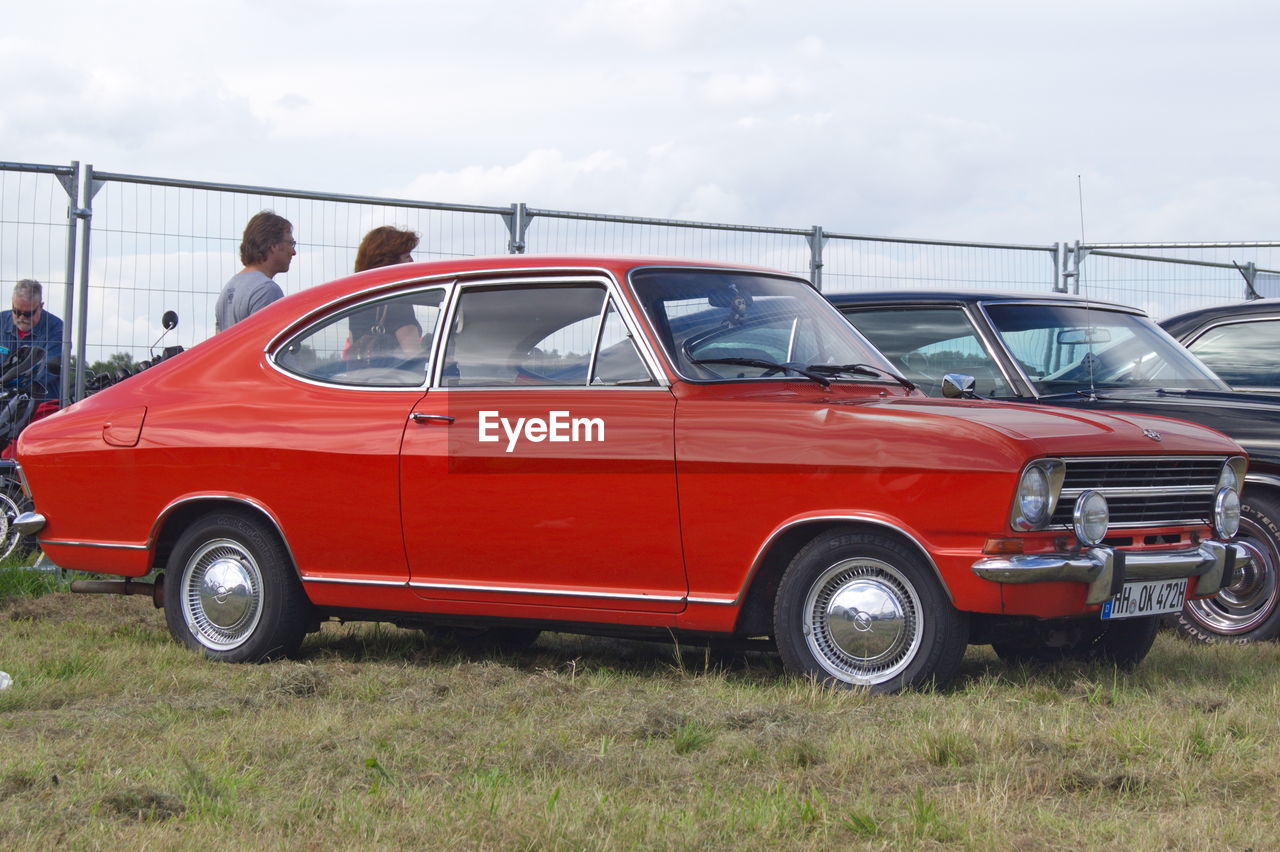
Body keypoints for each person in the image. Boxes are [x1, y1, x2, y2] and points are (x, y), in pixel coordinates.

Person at [347, 226, 422, 358]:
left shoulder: (357, 301)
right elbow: (413, 356)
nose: (412, 262)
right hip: (395, 377)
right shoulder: (398, 302)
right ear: (388, 262)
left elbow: (353, 345)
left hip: (361, 377)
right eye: (407, 256)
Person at [215, 211, 296, 332]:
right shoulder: (267, 290)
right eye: (291, 243)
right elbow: (269, 344)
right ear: (273, 245)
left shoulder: (229, 288)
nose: (294, 252)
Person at [0, 279, 65, 399]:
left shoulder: (57, 329)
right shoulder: (1, 321)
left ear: (40, 306)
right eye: (16, 311)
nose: (21, 317)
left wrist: (10, 384)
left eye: (28, 313)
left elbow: (47, 371)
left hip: (41, 405)